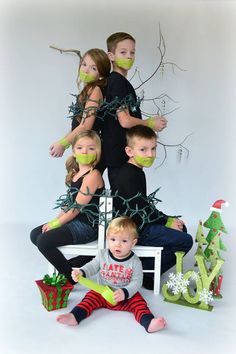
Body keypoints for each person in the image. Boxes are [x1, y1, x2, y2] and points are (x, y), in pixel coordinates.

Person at [112, 125, 193, 289]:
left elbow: (144, 205)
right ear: (130, 151)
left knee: (181, 229)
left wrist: (168, 219)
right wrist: (166, 221)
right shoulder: (128, 174)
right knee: (185, 240)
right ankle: (147, 274)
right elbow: (140, 207)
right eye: (143, 149)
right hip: (136, 228)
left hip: (141, 222)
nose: (150, 154)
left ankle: (145, 268)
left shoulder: (135, 171)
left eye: (153, 149)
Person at [57, 216, 166, 333]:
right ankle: (74, 316)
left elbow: (137, 282)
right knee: (88, 299)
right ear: (107, 239)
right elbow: (92, 266)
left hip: (125, 295)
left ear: (133, 243)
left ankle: (148, 322)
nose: (117, 245)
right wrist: (81, 272)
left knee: (139, 304)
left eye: (124, 241)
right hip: (102, 291)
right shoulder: (103, 254)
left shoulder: (135, 262)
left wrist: (125, 292)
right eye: (113, 240)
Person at [30, 130, 104, 284]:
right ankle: (73, 266)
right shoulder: (75, 173)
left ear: (97, 152)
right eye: (80, 148)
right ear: (74, 152)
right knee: (35, 234)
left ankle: (70, 276)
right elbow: (68, 204)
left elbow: (76, 208)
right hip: (73, 221)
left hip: (87, 226)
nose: (85, 151)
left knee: (44, 241)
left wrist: (57, 224)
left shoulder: (93, 175)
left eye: (91, 148)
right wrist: (53, 221)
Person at [100, 32, 168, 189]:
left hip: (120, 154)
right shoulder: (117, 82)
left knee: (127, 201)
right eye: (123, 52)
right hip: (120, 156)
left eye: (132, 52)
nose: (129, 56)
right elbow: (124, 120)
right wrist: (150, 123)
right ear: (111, 56)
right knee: (128, 202)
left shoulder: (118, 82)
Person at [49, 48, 111, 158]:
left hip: (89, 148)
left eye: (93, 68)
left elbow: (85, 126)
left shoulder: (95, 90)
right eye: (84, 64)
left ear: (101, 74)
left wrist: (63, 144)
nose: (86, 70)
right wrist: (63, 143)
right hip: (82, 146)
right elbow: (77, 124)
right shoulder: (88, 89)